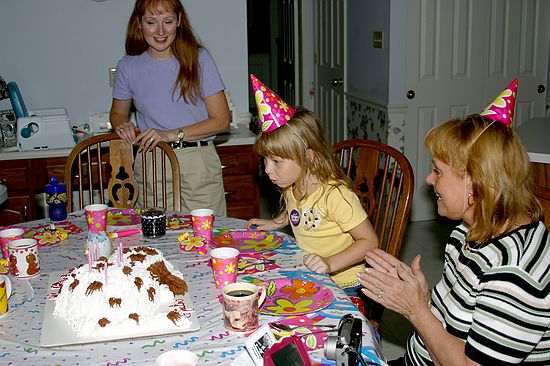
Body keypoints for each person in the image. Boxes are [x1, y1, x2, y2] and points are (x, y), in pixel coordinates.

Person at [357, 79, 550, 365]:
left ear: (474, 182)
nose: (429, 179)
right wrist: (425, 297)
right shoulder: (468, 230)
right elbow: (459, 321)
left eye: (438, 171)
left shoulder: (514, 270)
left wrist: (416, 310)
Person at [245, 74, 379, 307]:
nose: (267, 169)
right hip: (312, 274)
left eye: (276, 161)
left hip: (349, 286)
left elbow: (370, 242)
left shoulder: (336, 196)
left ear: (307, 158)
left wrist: (329, 263)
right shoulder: (290, 185)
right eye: (265, 160)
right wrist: (277, 222)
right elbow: (296, 209)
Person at [109, 0, 230, 216]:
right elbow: (118, 113)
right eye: (151, 22)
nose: (161, 31)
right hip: (152, 161)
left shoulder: (199, 59)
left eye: (168, 21)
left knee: (206, 235)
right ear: (138, 23)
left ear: (179, 21)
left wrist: (172, 134)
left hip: (198, 162)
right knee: (157, 237)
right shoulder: (127, 66)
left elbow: (221, 120)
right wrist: (122, 126)